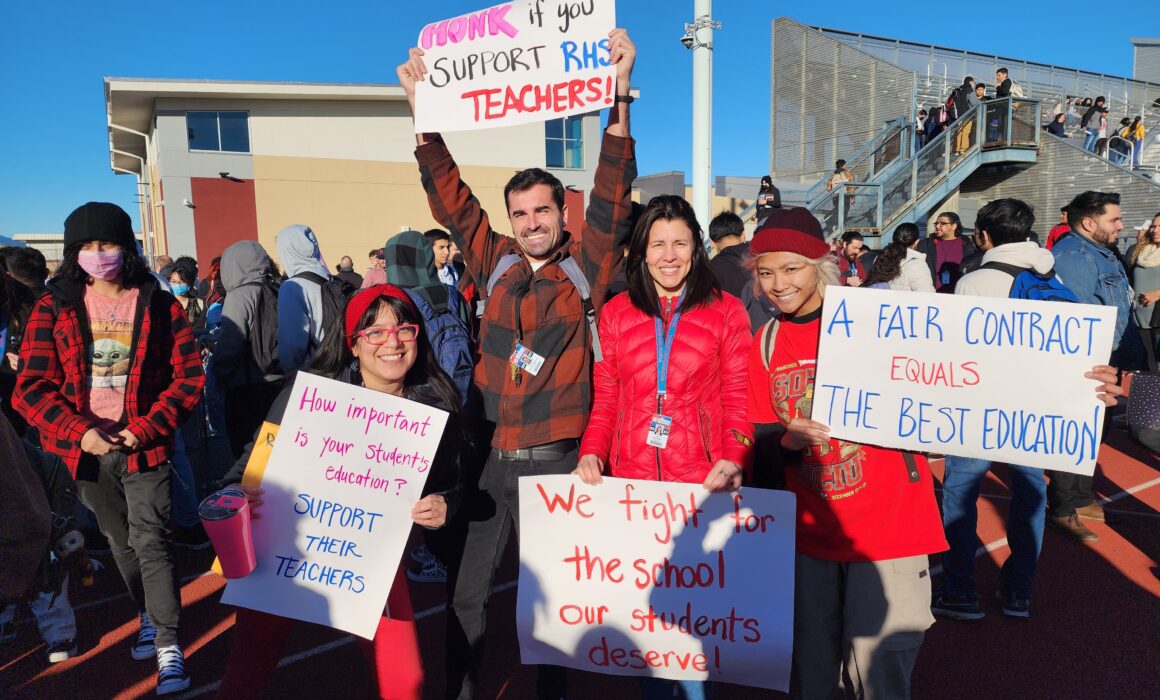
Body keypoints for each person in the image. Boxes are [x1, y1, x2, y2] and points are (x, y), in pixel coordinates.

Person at [398, 28, 637, 700]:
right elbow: (449, 195)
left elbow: (615, 192)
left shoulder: (587, 266)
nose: (532, 222)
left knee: (553, 605)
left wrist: (617, 99)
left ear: (563, 213)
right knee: (464, 598)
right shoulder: (494, 258)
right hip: (488, 460)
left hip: (558, 463)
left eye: (543, 210)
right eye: (520, 212)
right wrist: (422, 114)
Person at [217, 284, 463, 699]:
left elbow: (453, 485)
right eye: (375, 332)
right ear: (353, 344)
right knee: (247, 669)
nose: (392, 342)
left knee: (405, 682)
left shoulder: (436, 406)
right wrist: (238, 495)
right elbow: (243, 472)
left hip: (371, 566)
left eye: (404, 329)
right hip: (281, 555)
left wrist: (445, 506)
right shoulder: (306, 396)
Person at [745, 218, 947, 699]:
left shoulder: (879, 320)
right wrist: (784, 443)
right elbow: (761, 443)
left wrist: (1071, 388)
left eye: (792, 268)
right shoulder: (766, 342)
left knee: (881, 674)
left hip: (890, 529)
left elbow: (965, 380)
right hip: (811, 534)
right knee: (814, 673)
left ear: (819, 266)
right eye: (766, 273)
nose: (779, 284)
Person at [13, 202, 204, 695]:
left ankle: (167, 642)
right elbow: (31, 388)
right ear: (74, 253)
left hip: (146, 445)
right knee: (119, 540)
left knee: (153, 539)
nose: (100, 256)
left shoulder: (159, 304)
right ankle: (146, 612)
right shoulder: (52, 307)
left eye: (109, 245)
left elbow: (187, 377)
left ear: (128, 248)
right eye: (88, 247)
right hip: (86, 453)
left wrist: (148, 426)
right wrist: (80, 431)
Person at [574, 195, 753, 700]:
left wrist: (733, 457)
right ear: (640, 251)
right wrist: (593, 450)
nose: (669, 255)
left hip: (699, 486)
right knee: (645, 627)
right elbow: (607, 395)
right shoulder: (614, 313)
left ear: (696, 248)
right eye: (657, 244)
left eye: (679, 243)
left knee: (694, 635)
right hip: (633, 489)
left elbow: (737, 397)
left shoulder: (727, 311)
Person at [1050, 191, 1135, 541]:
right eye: (1113, 219)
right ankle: (1061, 506)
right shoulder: (1074, 257)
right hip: (1086, 365)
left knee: (1095, 433)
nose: (1121, 225)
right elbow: (1076, 320)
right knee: (1075, 434)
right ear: (1088, 223)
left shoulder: (1101, 253)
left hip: (1106, 361)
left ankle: (1082, 499)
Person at [212, 240, 286, 459]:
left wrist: (218, 376)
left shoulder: (239, 296)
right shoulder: (278, 288)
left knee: (247, 455)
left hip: (246, 386)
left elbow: (230, 345)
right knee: (271, 452)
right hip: (279, 382)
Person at [276, 224, 333, 374]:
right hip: (339, 369)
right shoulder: (332, 281)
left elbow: (292, 346)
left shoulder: (293, 287)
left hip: (312, 374)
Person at [707, 210, 776, 332]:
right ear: (743, 234)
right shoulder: (763, 258)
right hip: (771, 330)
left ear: (712, 242)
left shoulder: (712, 268)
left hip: (736, 335)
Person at [916, 211, 978, 293]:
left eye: (943, 223)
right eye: (936, 223)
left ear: (954, 226)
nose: (937, 226)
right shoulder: (925, 244)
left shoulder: (968, 246)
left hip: (958, 295)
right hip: (932, 296)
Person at [864, 223, 935, 292]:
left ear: (893, 239)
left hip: (880, 303)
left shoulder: (881, 257)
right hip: (904, 304)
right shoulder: (917, 264)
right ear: (916, 242)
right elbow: (927, 296)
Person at [1130, 213, 1160, 371]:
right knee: (1147, 368)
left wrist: (1157, 293)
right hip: (1138, 320)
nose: (1155, 229)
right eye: (1154, 226)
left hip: (1157, 322)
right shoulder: (1142, 251)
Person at [166, 261, 206, 328]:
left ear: (189, 283)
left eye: (182, 282)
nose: (178, 285)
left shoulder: (198, 304)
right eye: (174, 281)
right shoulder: (165, 304)